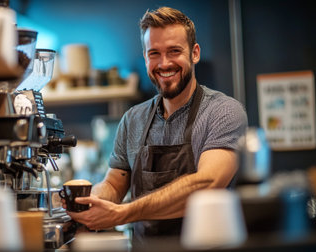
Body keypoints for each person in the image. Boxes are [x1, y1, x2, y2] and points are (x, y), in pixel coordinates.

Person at [64, 6, 248, 242]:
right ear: (145, 57)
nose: (164, 63)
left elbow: (206, 184)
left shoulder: (223, 112)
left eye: (174, 51)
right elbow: (113, 183)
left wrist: (124, 213)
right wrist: (88, 202)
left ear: (195, 53)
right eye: (154, 54)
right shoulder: (133, 120)